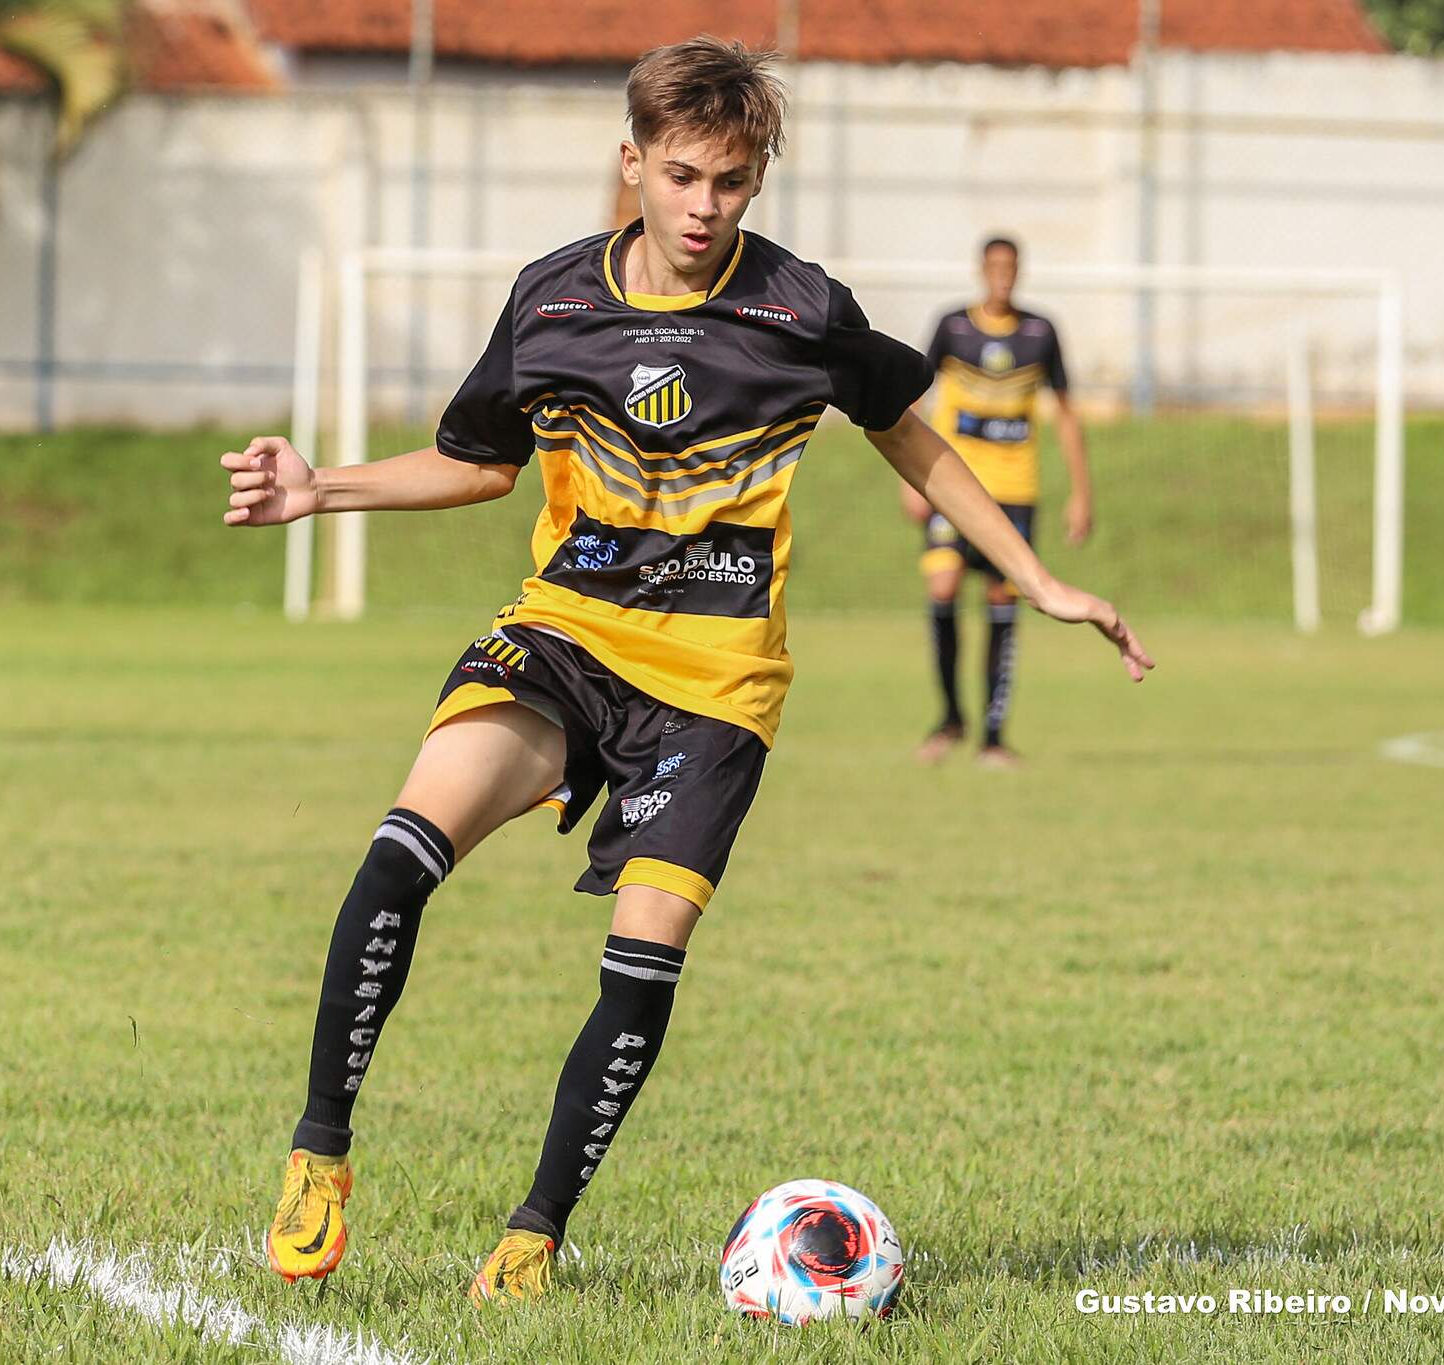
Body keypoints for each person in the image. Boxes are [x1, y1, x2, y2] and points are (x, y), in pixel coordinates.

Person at [222, 38, 1152, 1302]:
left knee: (640, 957)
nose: (706, 208)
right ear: (633, 165)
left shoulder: (799, 310)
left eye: (731, 181)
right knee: (398, 852)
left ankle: (534, 1234)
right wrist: (323, 488)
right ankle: (320, 1157)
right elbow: (483, 460)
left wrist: (1030, 578)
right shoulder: (552, 301)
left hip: (716, 688)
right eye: (682, 177)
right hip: (564, 637)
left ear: (756, 178)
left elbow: (911, 439)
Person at [906, 237, 1091, 767]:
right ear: (982, 271)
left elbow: (1068, 414)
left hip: (1015, 493)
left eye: (1011, 269)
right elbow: (912, 401)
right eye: (995, 268)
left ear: (1020, 273)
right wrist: (909, 480)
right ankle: (949, 716)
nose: (1003, 278)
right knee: (941, 587)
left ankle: (992, 735)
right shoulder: (952, 326)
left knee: (1003, 601)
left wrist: (1081, 494)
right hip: (952, 485)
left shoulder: (1041, 333)